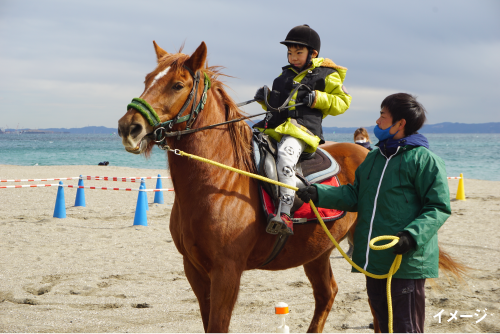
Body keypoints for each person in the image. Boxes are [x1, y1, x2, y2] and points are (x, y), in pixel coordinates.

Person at [297, 93, 451, 334]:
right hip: (374, 261)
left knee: (406, 328)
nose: (377, 122)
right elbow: (354, 196)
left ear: (400, 123)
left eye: (383, 116)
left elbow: (438, 207)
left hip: (406, 262)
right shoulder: (373, 159)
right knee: (383, 322)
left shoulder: (425, 160)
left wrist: (411, 236)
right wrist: (318, 193)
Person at [253, 24, 351, 235]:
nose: (293, 57)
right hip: (277, 128)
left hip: (303, 132)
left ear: (312, 54)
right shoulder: (282, 77)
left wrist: (317, 98)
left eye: (298, 52)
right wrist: (266, 99)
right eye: (290, 53)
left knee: (286, 156)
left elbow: (344, 103)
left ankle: (285, 212)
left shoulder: (326, 74)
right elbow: (278, 108)